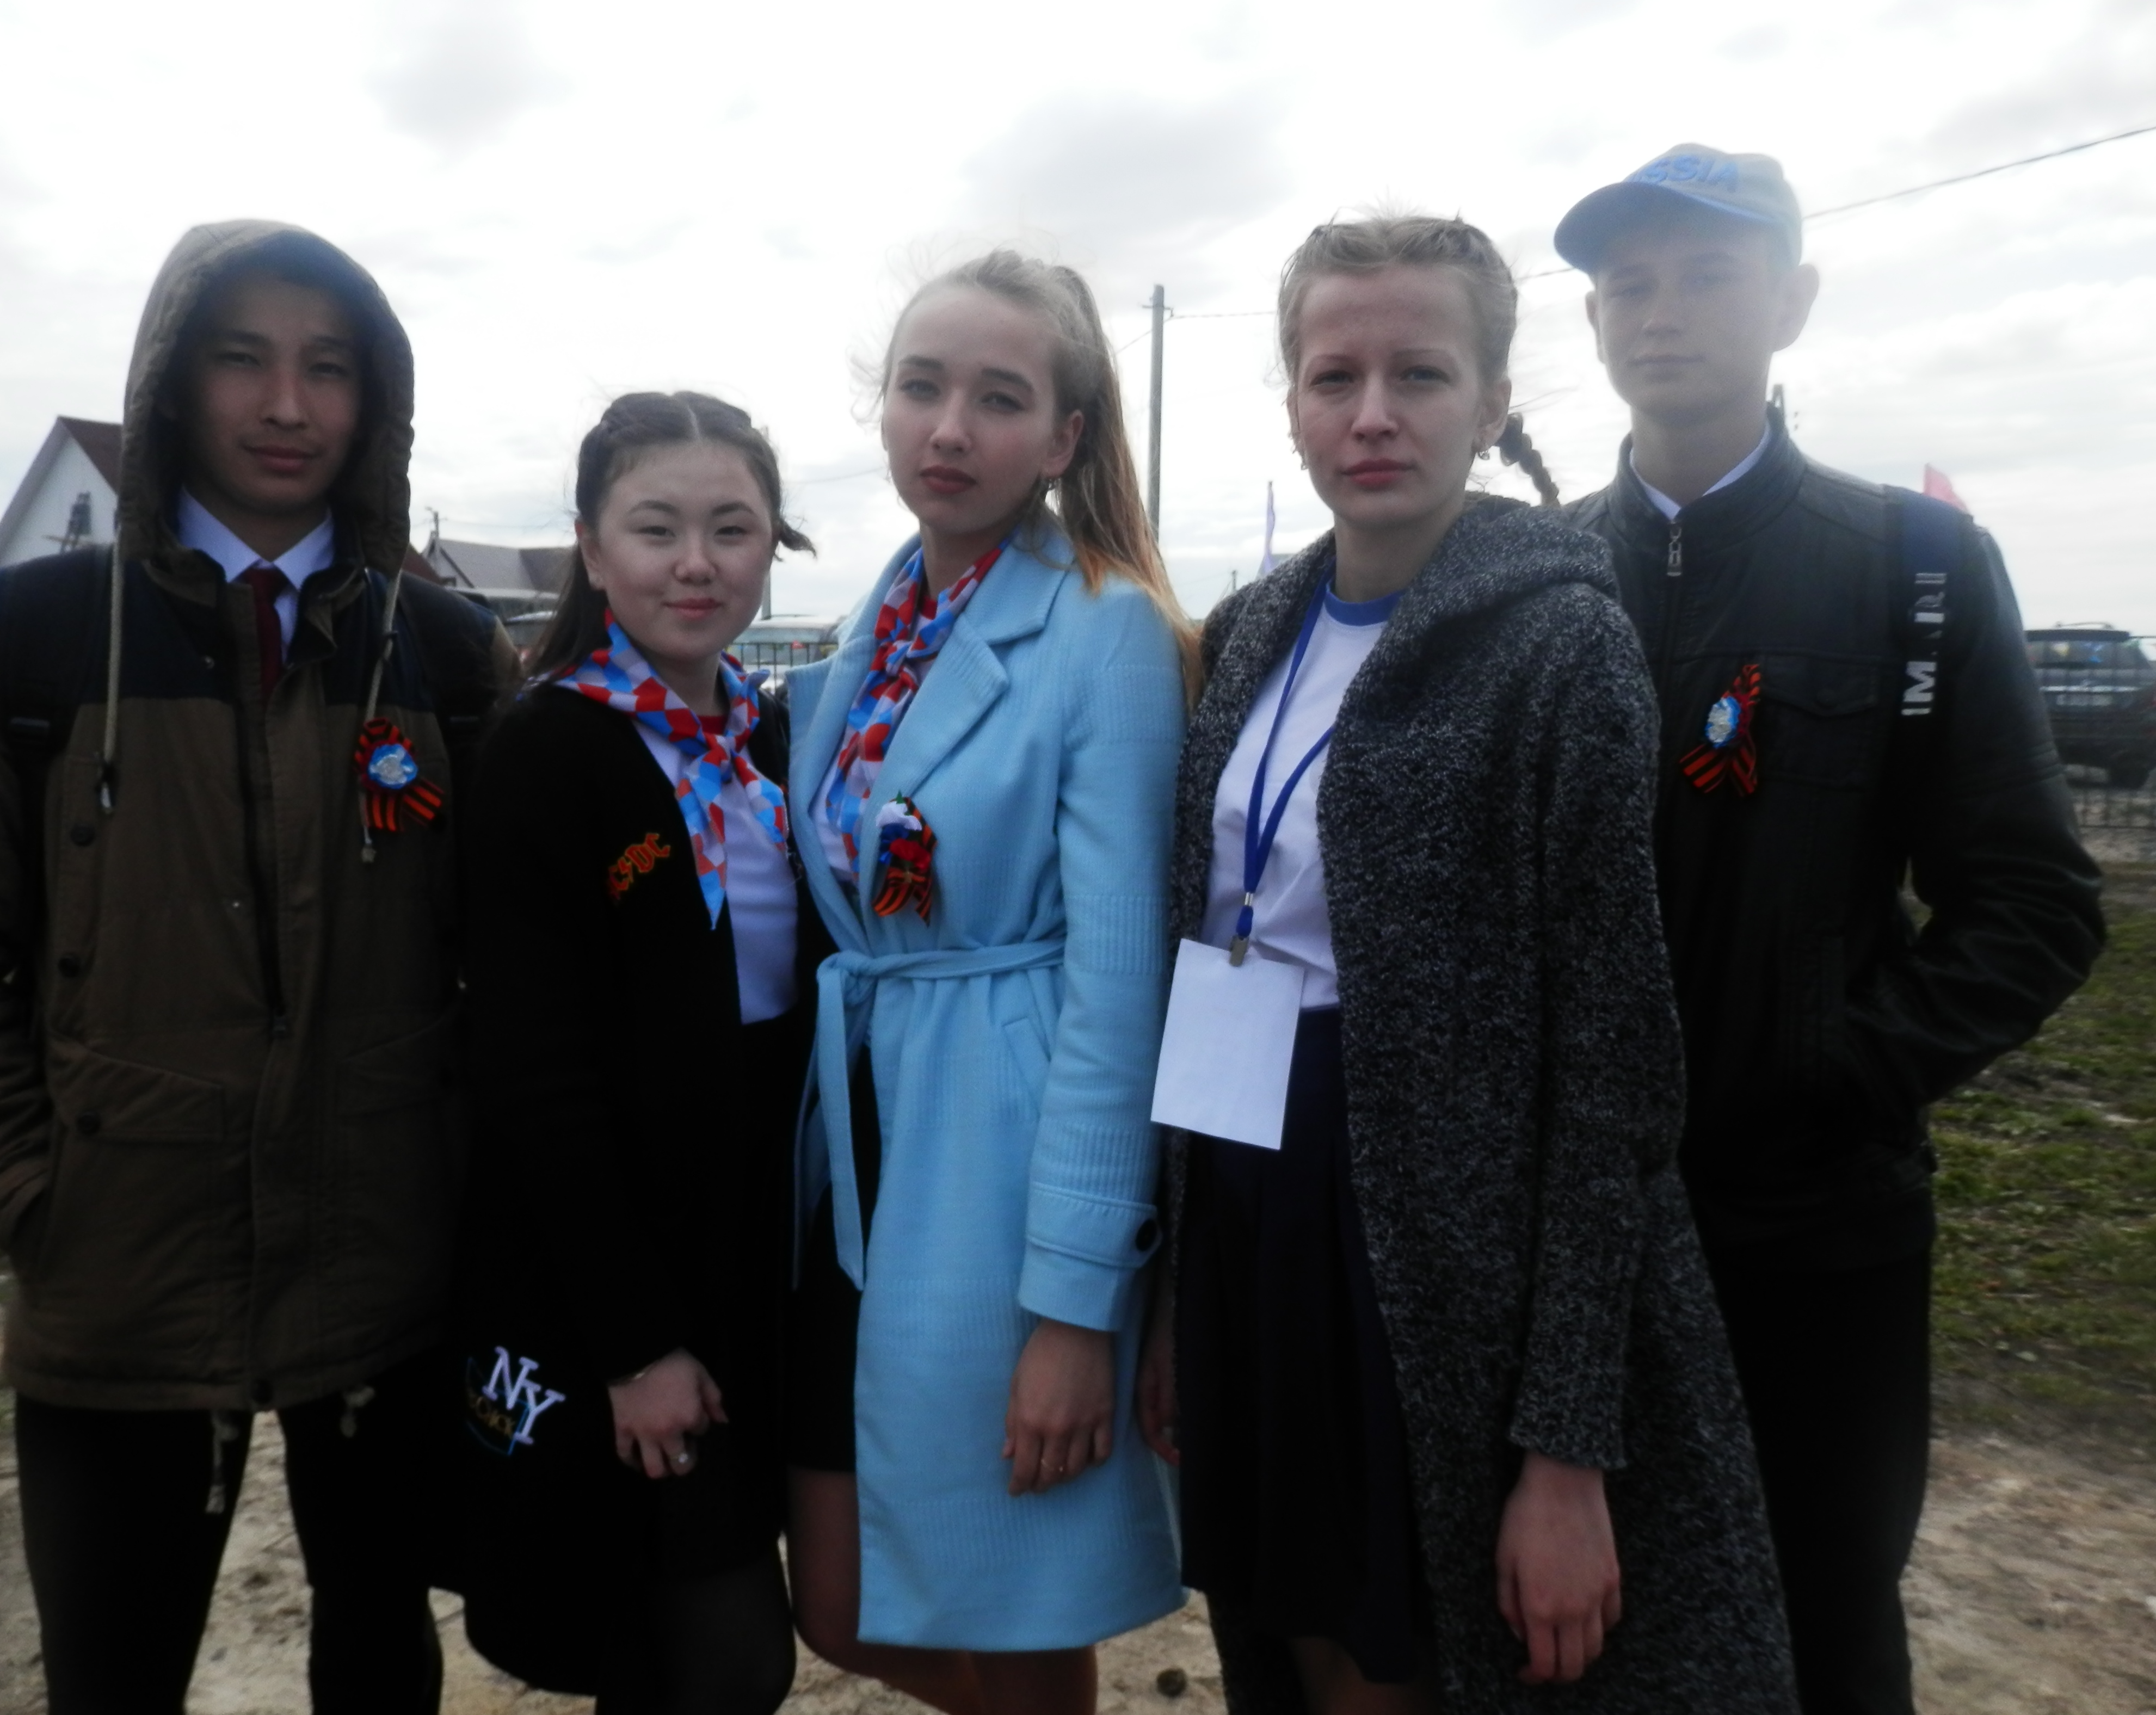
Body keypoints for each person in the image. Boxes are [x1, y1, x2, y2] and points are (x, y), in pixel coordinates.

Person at [0, 221, 518, 1714]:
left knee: (380, 1658)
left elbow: (520, 955)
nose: (286, 404)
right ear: (169, 381)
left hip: (385, 1271)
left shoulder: (448, 655)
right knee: (114, 1673)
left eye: (327, 367)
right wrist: (23, 1187)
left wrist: (459, 1169)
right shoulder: (28, 637)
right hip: (119, 1273)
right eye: (241, 358)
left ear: (373, 398)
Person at [1138, 214, 1800, 1715]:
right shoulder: (1247, 634)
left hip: (1436, 1245)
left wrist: (1566, 1447)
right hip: (1248, 1188)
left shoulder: (1556, 644)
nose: (1373, 415)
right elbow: (1214, 945)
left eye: (1421, 374)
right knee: (1280, 1633)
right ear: (1293, 401)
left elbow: (1611, 1070)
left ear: (1494, 400)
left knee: (1398, 1654)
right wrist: (1181, 1289)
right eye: (1335, 376)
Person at [1553, 146, 2105, 1715]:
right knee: (1572, 1631)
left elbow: (2034, 902)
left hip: (1814, 1239)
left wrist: (1835, 1071)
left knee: (1819, 1630)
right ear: (1592, 322)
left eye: (1707, 275)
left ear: (1791, 301)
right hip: (1577, 1239)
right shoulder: (1535, 576)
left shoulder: (1911, 567)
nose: (1663, 313)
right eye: (1630, 285)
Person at [780, 249, 1190, 1715]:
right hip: (860, 1150)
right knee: (840, 1606)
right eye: (922, 387)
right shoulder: (870, 633)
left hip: (999, 1164)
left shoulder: (1103, 627)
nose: (949, 429)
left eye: (999, 399)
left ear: (1064, 437)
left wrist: (1074, 1310)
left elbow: (1119, 989)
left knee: (1016, 1604)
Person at [449, 392, 829, 1713]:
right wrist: (633, 1346)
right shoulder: (547, 750)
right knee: (717, 1656)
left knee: (688, 1642)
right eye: (656, 529)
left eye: (733, 529)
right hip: (617, 1269)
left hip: (752, 1255)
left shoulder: (774, 742)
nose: (696, 564)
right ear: (591, 549)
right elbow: (536, 1078)